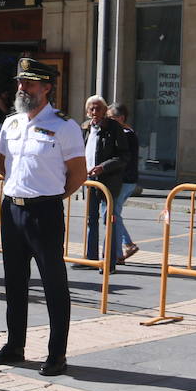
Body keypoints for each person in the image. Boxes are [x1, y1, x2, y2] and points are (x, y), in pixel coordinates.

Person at [0, 57, 87, 377]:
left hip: (44, 211)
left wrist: (50, 195)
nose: (22, 88)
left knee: (53, 285)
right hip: (12, 209)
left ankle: (57, 354)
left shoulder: (65, 125)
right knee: (14, 282)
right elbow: (3, 164)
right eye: (20, 82)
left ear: (46, 87)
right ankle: (15, 345)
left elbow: (78, 174)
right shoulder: (12, 122)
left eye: (29, 83)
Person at [80, 95, 130, 272]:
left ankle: (108, 262)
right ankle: (90, 258)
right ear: (87, 111)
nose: (95, 112)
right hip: (89, 181)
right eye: (91, 109)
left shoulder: (114, 128)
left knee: (108, 220)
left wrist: (103, 167)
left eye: (98, 108)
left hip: (108, 181)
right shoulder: (85, 128)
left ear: (104, 110)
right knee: (90, 219)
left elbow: (124, 157)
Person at [108, 103, 141, 261]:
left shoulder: (125, 134)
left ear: (120, 118)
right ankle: (127, 244)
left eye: (111, 118)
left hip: (124, 180)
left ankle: (119, 251)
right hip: (127, 179)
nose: (108, 121)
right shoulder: (128, 132)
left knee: (113, 214)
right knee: (115, 214)